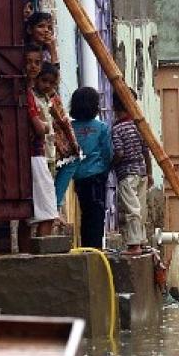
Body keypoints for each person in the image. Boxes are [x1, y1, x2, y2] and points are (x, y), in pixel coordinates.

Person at [56, 87, 112, 249]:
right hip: (96, 176)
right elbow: (107, 153)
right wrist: (105, 169)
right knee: (96, 215)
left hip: (78, 177)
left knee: (85, 213)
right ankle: (94, 249)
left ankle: (86, 248)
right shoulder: (101, 128)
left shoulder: (70, 128)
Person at [110, 93, 152, 255]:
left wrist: (111, 164)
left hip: (127, 173)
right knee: (141, 208)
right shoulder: (139, 125)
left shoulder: (117, 128)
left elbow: (119, 152)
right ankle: (142, 241)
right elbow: (146, 150)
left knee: (131, 209)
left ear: (114, 107)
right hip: (141, 172)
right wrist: (149, 173)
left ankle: (134, 244)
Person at [25, 45, 58, 236]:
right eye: (29, 62)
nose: (33, 66)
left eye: (37, 62)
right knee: (47, 213)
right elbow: (39, 128)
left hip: (40, 154)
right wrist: (45, 126)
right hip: (36, 154)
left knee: (31, 215)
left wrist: (52, 47)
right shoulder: (30, 95)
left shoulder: (42, 96)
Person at [35, 62, 79, 170]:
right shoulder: (34, 99)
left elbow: (63, 123)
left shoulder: (50, 100)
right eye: (44, 80)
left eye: (52, 83)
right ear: (36, 79)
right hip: (39, 153)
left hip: (51, 153)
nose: (47, 85)